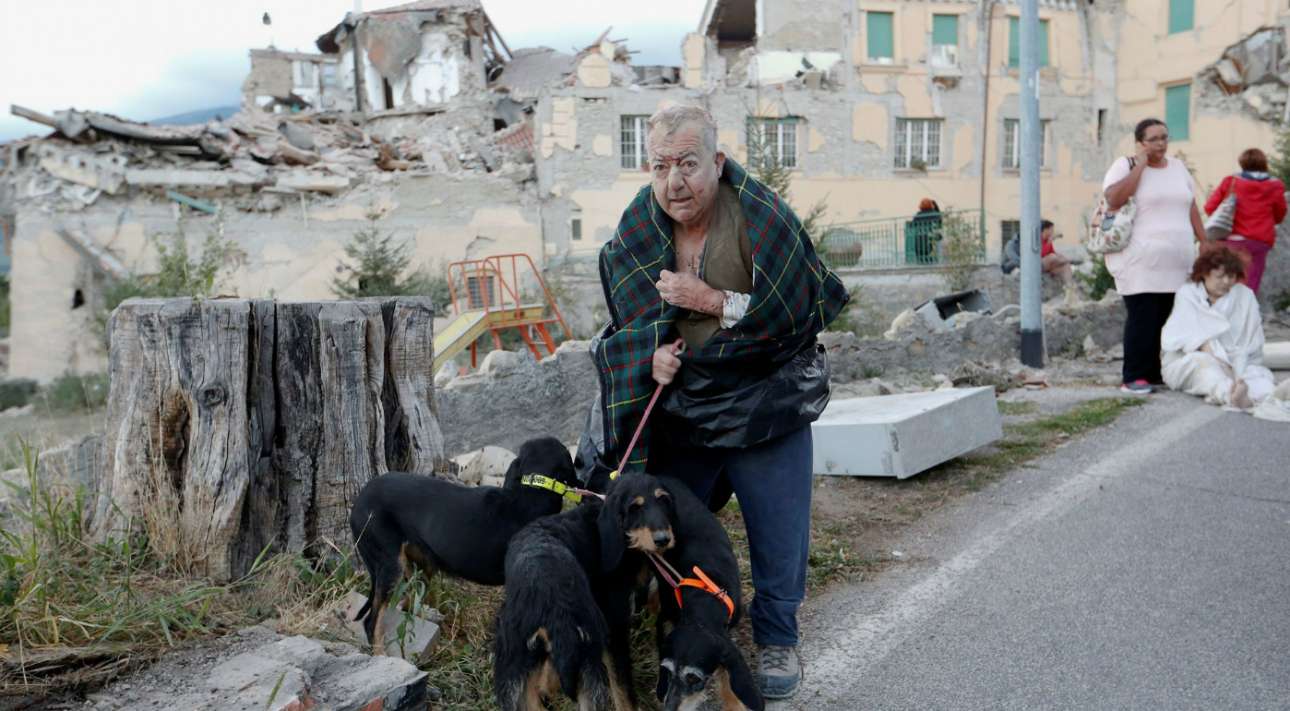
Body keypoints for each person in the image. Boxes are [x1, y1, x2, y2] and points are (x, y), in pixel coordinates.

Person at [592, 105, 849, 700]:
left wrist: (707, 298)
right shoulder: (638, 226)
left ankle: (778, 635)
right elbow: (629, 325)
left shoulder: (763, 219)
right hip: (685, 406)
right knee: (666, 522)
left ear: (718, 161)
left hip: (767, 401)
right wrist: (648, 356)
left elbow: (790, 311)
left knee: (778, 528)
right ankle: (683, 620)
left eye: (687, 163)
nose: (674, 181)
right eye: (660, 166)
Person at [1101, 117, 1206, 395]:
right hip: (1140, 260)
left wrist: (1204, 241)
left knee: (1165, 317)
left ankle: (1153, 373)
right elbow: (1114, 199)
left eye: (1164, 137)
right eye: (1154, 139)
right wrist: (1141, 166)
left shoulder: (1179, 167)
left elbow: (1191, 205)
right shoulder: (1125, 166)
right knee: (1142, 317)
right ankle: (1133, 376)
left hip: (1177, 260)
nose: (1161, 143)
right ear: (1140, 143)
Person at [1161, 244, 1276, 410]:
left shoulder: (1244, 296)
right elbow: (1185, 338)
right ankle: (1230, 394)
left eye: (1231, 277)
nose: (1226, 282)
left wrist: (1236, 367)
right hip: (1191, 358)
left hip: (1236, 358)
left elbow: (1250, 340)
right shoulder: (1188, 295)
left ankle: (1260, 394)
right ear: (1205, 273)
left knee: (1256, 376)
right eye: (1220, 276)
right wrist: (1221, 363)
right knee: (1204, 367)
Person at [1202, 147, 1286, 294]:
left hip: (1232, 241)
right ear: (1264, 163)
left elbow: (1210, 208)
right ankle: (1245, 314)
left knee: (1228, 283)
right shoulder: (1275, 186)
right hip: (1260, 241)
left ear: (1242, 163)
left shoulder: (1231, 182)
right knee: (1250, 285)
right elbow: (1280, 215)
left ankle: (1227, 314)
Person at [905, 198, 942, 264]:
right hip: (930, 241)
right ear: (931, 205)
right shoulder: (934, 214)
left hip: (919, 241)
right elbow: (940, 223)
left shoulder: (918, 215)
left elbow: (912, 225)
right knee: (931, 259)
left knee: (921, 260)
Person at [1039, 219, 1074, 287]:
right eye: (1051, 229)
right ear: (1046, 229)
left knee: (1066, 265)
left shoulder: (1048, 240)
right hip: (1040, 265)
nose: (1053, 231)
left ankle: (1069, 287)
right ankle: (1069, 260)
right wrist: (1050, 241)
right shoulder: (1038, 238)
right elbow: (1042, 253)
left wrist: (1061, 257)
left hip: (1049, 266)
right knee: (1053, 256)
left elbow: (1052, 252)